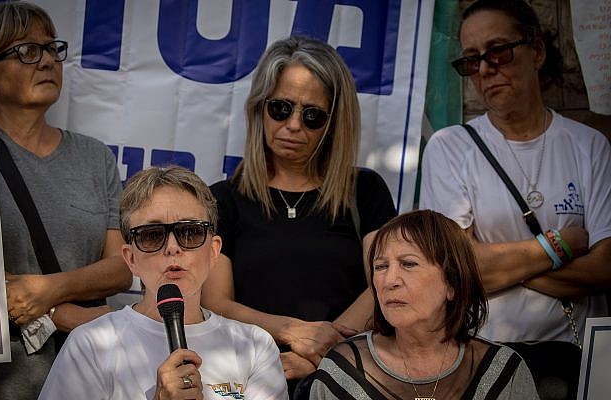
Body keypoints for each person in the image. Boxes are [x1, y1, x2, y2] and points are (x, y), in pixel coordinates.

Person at [202, 36, 396, 391]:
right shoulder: (224, 199)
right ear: (260, 108)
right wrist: (290, 330)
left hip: (346, 381)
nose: (293, 125)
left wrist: (323, 355)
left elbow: (385, 284)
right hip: (247, 381)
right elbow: (216, 304)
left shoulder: (365, 191)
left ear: (334, 123)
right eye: (280, 108)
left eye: (312, 116)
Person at [420, 0, 610, 345]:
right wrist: (561, 244)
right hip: (489, 357)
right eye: (471, 60)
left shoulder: (589, 146)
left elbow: (604, 268)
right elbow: (456, 271)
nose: (485, 69)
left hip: (580, 354)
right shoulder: (450, 148)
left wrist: (500, 264)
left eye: (498, 51)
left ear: (536, 51)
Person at [0, 2, 132, 399]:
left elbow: (121, 269)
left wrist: (50, 292)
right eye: (26, 51)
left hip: (84, 376)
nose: (45, 62)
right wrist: (65, 315)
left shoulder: (95, 157)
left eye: (51, 49)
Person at [39, 165, 289, 399]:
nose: (172, 248)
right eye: (152, 235)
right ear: (131, 258)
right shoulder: (92, 344)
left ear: (214, 251)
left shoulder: (254, 346)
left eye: (190, 232)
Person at [309, 210, 539, 399]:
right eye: (380, 267)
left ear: (452, 283)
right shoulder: (343, 370)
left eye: (408, 264)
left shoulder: (501, 370)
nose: (390, 281)